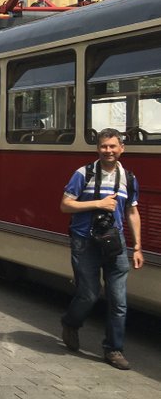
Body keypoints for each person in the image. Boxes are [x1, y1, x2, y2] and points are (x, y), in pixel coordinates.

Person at [60, 128, 143, 370]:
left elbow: (132, 211)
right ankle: (70, 323)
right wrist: (98, 203)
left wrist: (137, 246)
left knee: (118, 300)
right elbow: (65, 205)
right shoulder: (83, 174)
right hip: (84, 241)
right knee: (89, 294)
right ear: (98, 149)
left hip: (114, 243)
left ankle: (114, 349)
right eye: (104, 146)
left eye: (113, 146)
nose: (108, 151)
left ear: (121, 149)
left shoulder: (128, 177)